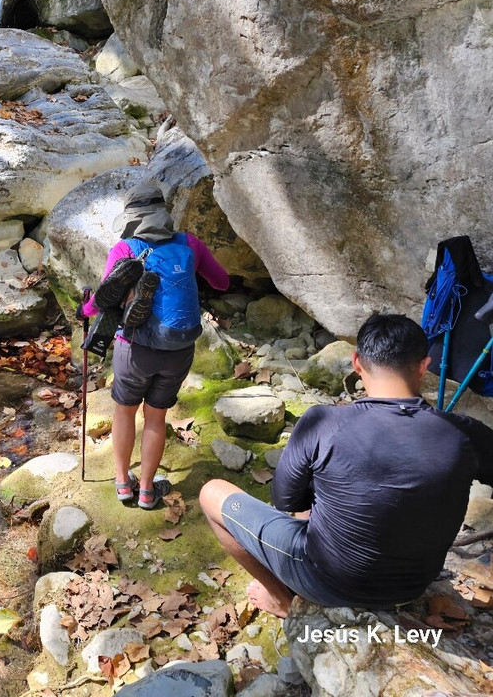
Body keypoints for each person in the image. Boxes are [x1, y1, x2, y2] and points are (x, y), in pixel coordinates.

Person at [200, 314, 493, 617]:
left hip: (329, 584)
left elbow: (285, 500)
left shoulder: (324, 422)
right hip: (413, 586)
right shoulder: (466, 433)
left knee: (212, 492)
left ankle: (280, 600)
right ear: (423, 366)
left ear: (356, 363)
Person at [80, 180, 230, 508]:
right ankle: (147, 490)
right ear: (164, 214)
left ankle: (123, 483)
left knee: (124, 412)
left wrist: (84, 309)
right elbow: (222, 282)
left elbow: (103, 301)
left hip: (134, 349)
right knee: (156, 417)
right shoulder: (190, 244)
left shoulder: (125, 249)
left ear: (133, 218)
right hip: (178, 350)